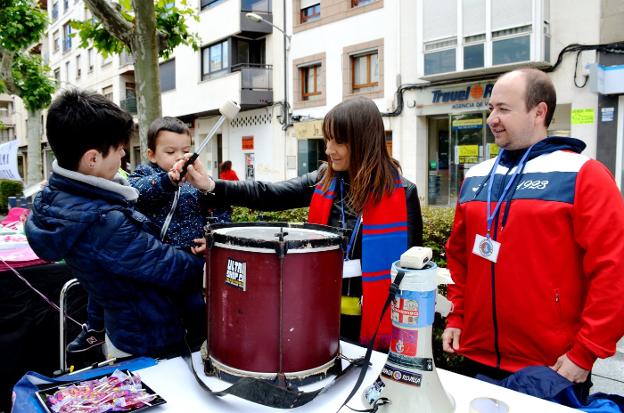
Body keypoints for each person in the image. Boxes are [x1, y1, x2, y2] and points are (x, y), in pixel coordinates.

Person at [179, 96, 423, 351]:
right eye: (327, 139)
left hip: (376, 322)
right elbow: (267, 194)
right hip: (320, 311)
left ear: (363, 140)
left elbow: (411, 275)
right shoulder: (324, 180)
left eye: (338, 141)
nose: (329, 149)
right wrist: (211, 185)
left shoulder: (403, 194)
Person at [442, 68, 624, 389]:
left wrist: (585, 353)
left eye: (503, 109)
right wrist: (457, 317)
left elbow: (614, 271)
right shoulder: (476, 177)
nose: (491, 119)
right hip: (476, 354)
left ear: (539, 112)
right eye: (490, 109)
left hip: (553, 365)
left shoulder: (584, 174)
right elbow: (460, 260)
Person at [25, 89, 205, 358]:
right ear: (92, 159)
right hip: (150, 340)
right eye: (119, 149)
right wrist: (206, 255)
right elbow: (172, 269)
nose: (123, 155)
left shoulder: (59, 199)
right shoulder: (103, 223)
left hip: (124, 329)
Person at [128, 116, 211, 252]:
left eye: (185, 151)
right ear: (152, 155)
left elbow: (217, 208)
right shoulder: (145, 172)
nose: (180, 156)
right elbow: (135, 191)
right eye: (170, 152)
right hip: (158, 255)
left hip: (193, 255)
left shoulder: (197, 179)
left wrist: (211, 238)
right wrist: (167, 181)